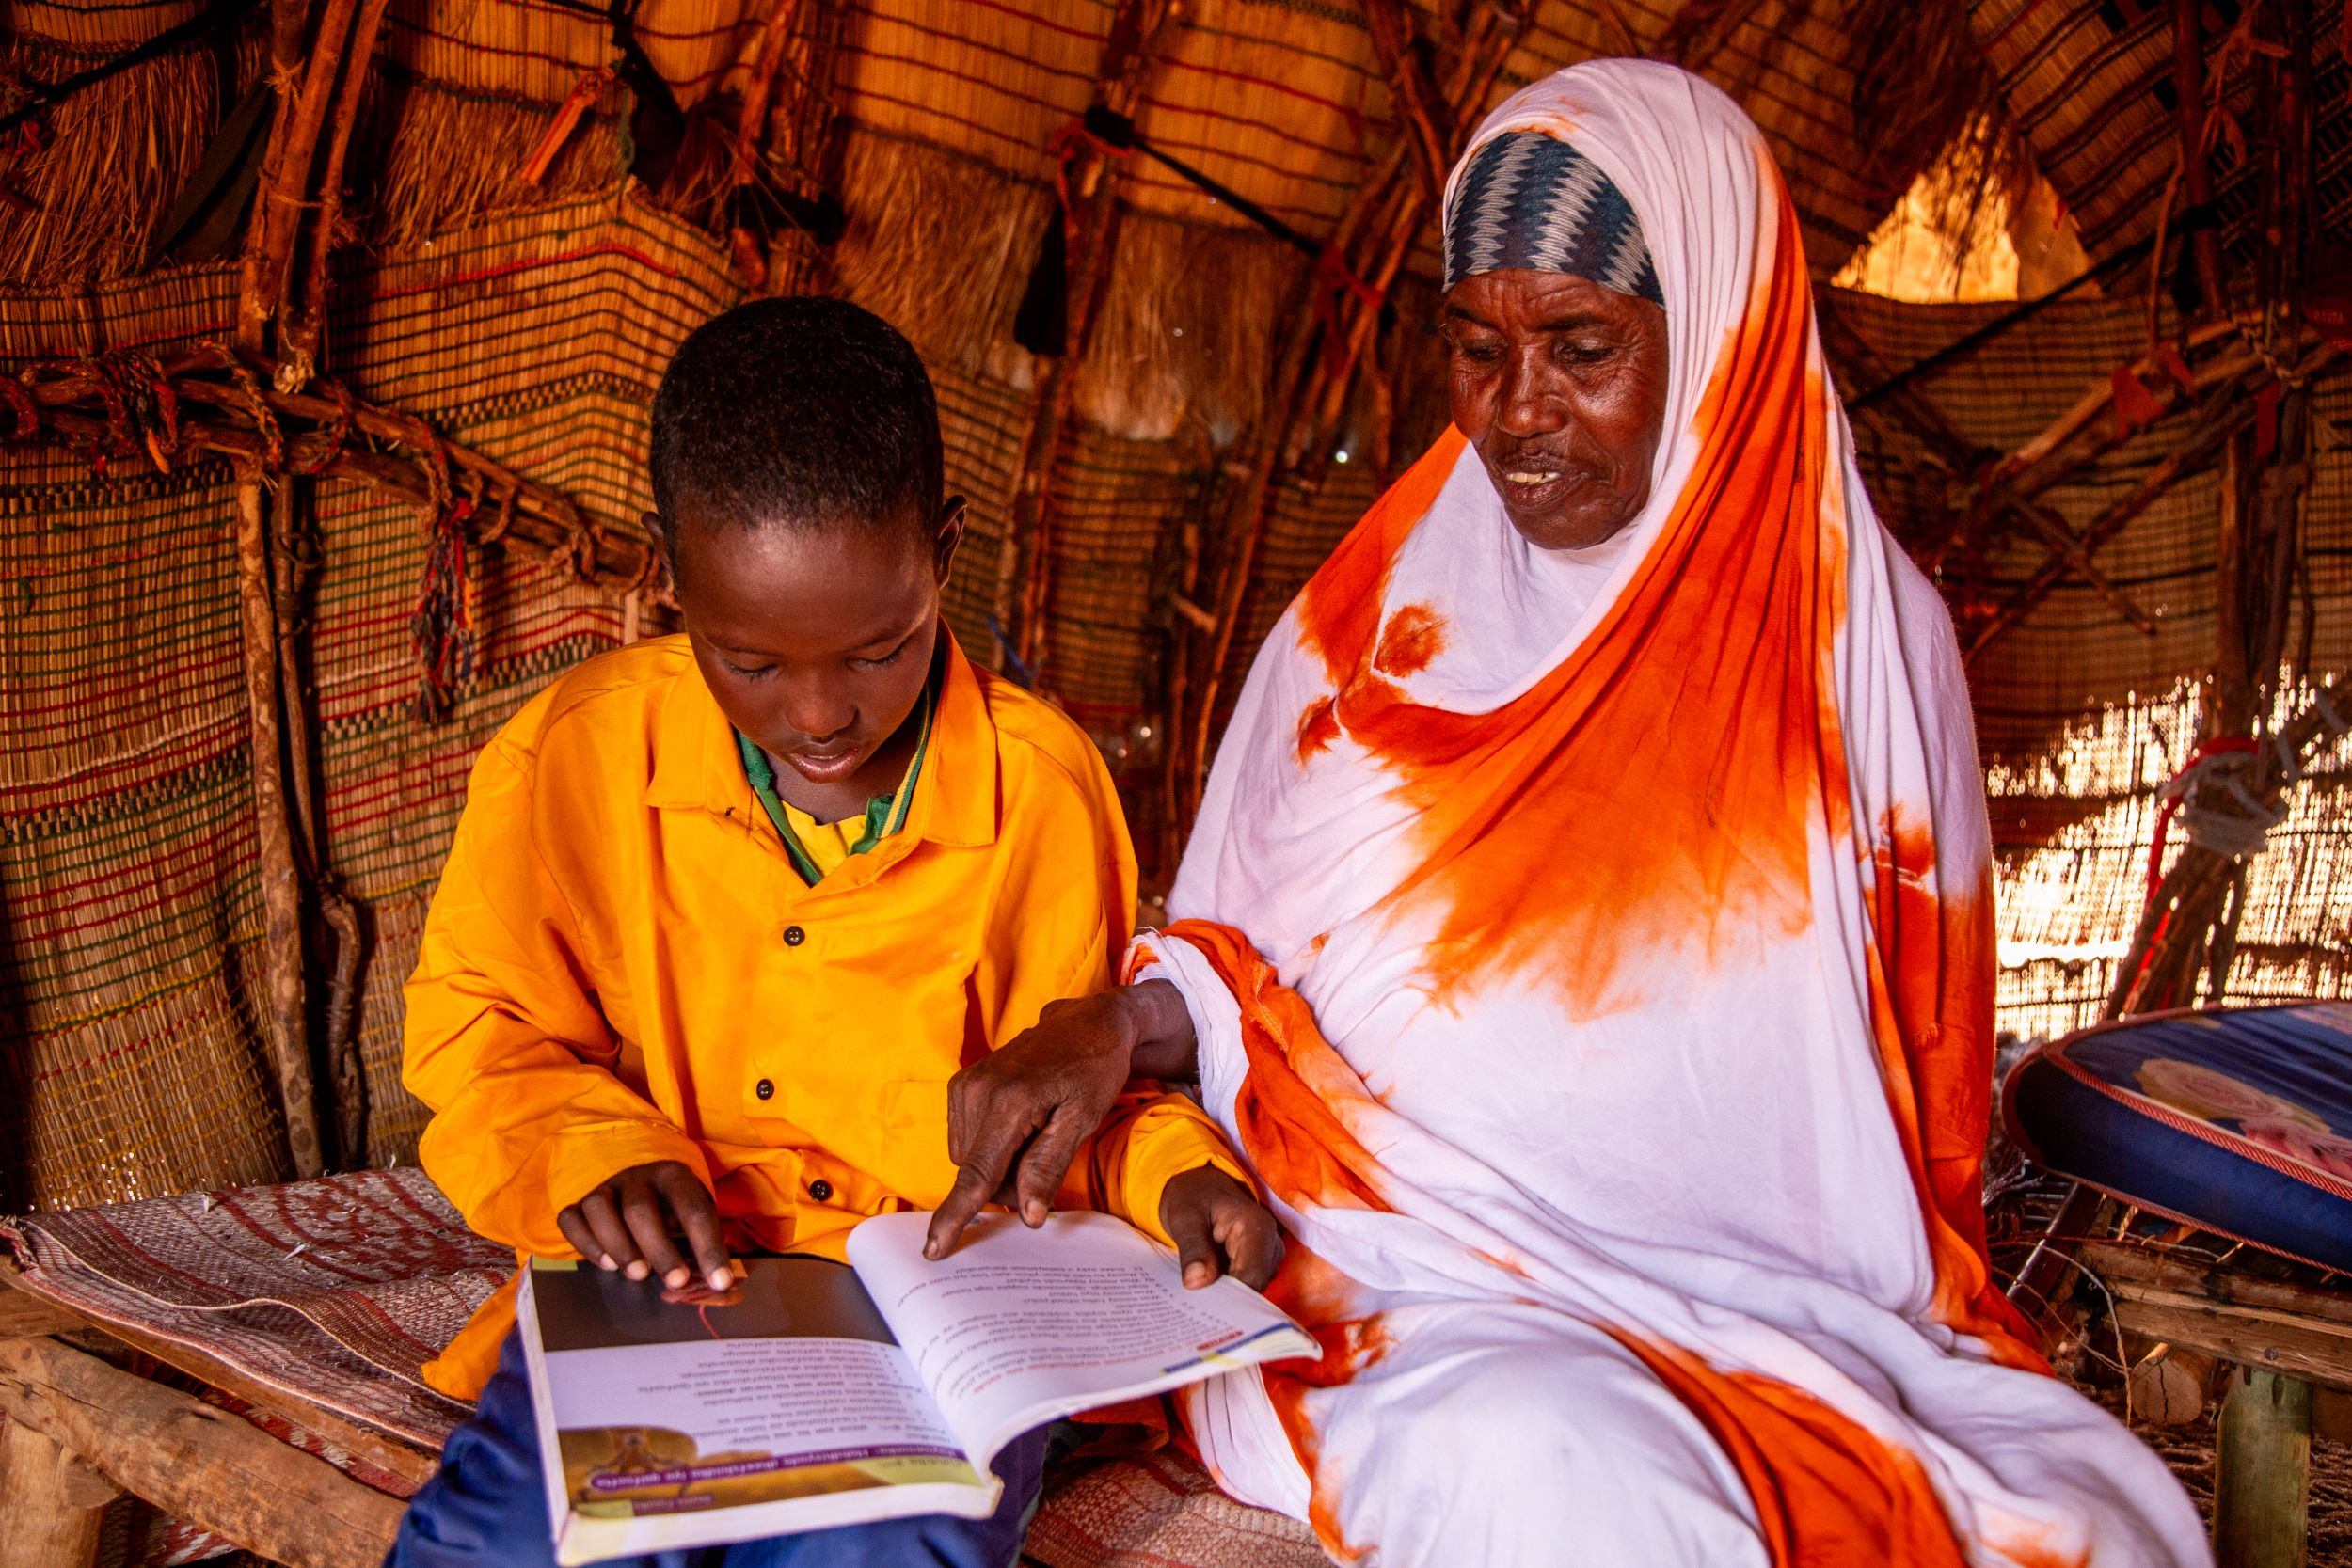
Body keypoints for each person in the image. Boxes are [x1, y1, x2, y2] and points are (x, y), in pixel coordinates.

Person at [922, 62, 2210, 1567]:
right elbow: (1235, 972)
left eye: (1581, 348)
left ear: (1721, 329)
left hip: (1788, 1295)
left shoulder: (1858, 645)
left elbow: (1916, 1098)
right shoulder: (1366, 634)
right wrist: (1112, 1025)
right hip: (1395, 1284)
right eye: (1477, 349)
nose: (1518, 415)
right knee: (1565, 1477)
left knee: (2107, 1519)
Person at [388, 298, 1279, 1568]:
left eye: (880, 649)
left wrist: (1176, 1176)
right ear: (672, 577)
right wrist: (594, 1152)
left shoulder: (1040, 790)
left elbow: (1071, 1100)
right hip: (652, 1308)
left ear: (945, 554)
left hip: (941, 1323)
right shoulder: (572, 756)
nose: (818, 716)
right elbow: (479, 1031)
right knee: (506, 1553)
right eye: (748, 660)